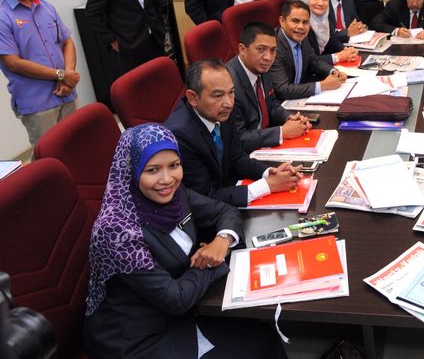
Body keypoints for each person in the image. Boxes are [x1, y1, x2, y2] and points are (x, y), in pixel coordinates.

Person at [84, 124, 286, 358]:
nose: (167, 179)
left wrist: (222, 240)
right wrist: (215, 261)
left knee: (262, 335)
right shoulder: (117, 231)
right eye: (152, 170)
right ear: (132, 170)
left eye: (174, 165)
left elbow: (225, 210)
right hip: (136, 339)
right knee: (257, 344)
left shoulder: (175, 194)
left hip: (179, 310)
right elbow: (176, 299)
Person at [164, 59, 300, 207]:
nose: (228, 103)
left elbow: (236, 157)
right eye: (217, 95)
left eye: (231, 92)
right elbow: (204, 196)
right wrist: (267, 186)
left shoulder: (222, 111)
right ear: (193, 98)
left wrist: (269, 172)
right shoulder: (180, 135)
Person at [0, 0, 80, 148]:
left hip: (67, 92)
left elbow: (67, 41)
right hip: (37, 104)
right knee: (49, 157)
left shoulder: (46, 7)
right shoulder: (2, 16)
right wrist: (61, 75)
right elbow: (13, 63)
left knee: (78, 147)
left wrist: (68, 76)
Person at [225, 22, 311, 154]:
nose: (268, 58)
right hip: (245, 155)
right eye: (261, 49)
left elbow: (271, 104)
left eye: (273, 50)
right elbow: (238, 139)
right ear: (242, 49)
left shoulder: (260, 67)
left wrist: (289, 118)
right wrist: (282, 132)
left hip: (264, 143)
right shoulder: (229, 84)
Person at [270, 0, 348, 100]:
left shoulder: (302, 37)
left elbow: (314, 61)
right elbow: (283, 90)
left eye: (305, 22)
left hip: (299, 96)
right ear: (282, 21)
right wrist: (322, 85)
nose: (301, 27)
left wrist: (332, 71)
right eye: (295, 21)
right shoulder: (273, 47)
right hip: (281, 104)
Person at [296, 0, 358, 65]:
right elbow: (308, 61)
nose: (320, 3)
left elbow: (328, 40)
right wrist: (338, 57)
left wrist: (345, 49)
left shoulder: (322, 18)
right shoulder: (300, 25)